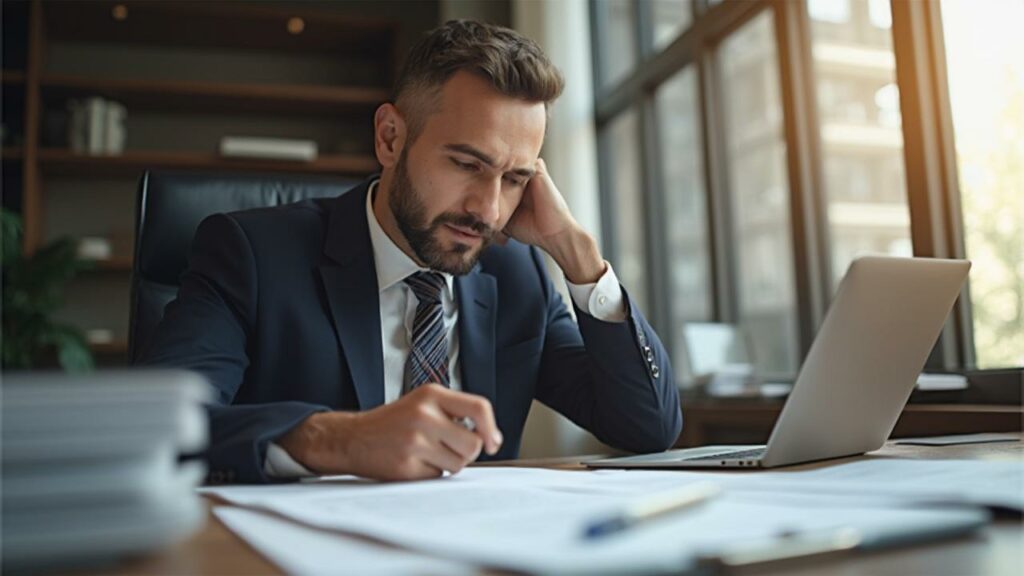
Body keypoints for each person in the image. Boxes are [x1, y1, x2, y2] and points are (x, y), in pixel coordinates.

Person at [139, 20, 681, 484]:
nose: (488, 210)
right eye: (467, 165)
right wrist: (339, 440)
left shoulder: (518, 279)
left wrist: (579, 256)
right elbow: (163, 424)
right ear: (391, 138)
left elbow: (647, 429)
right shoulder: (251, 255)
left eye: (515, 178)